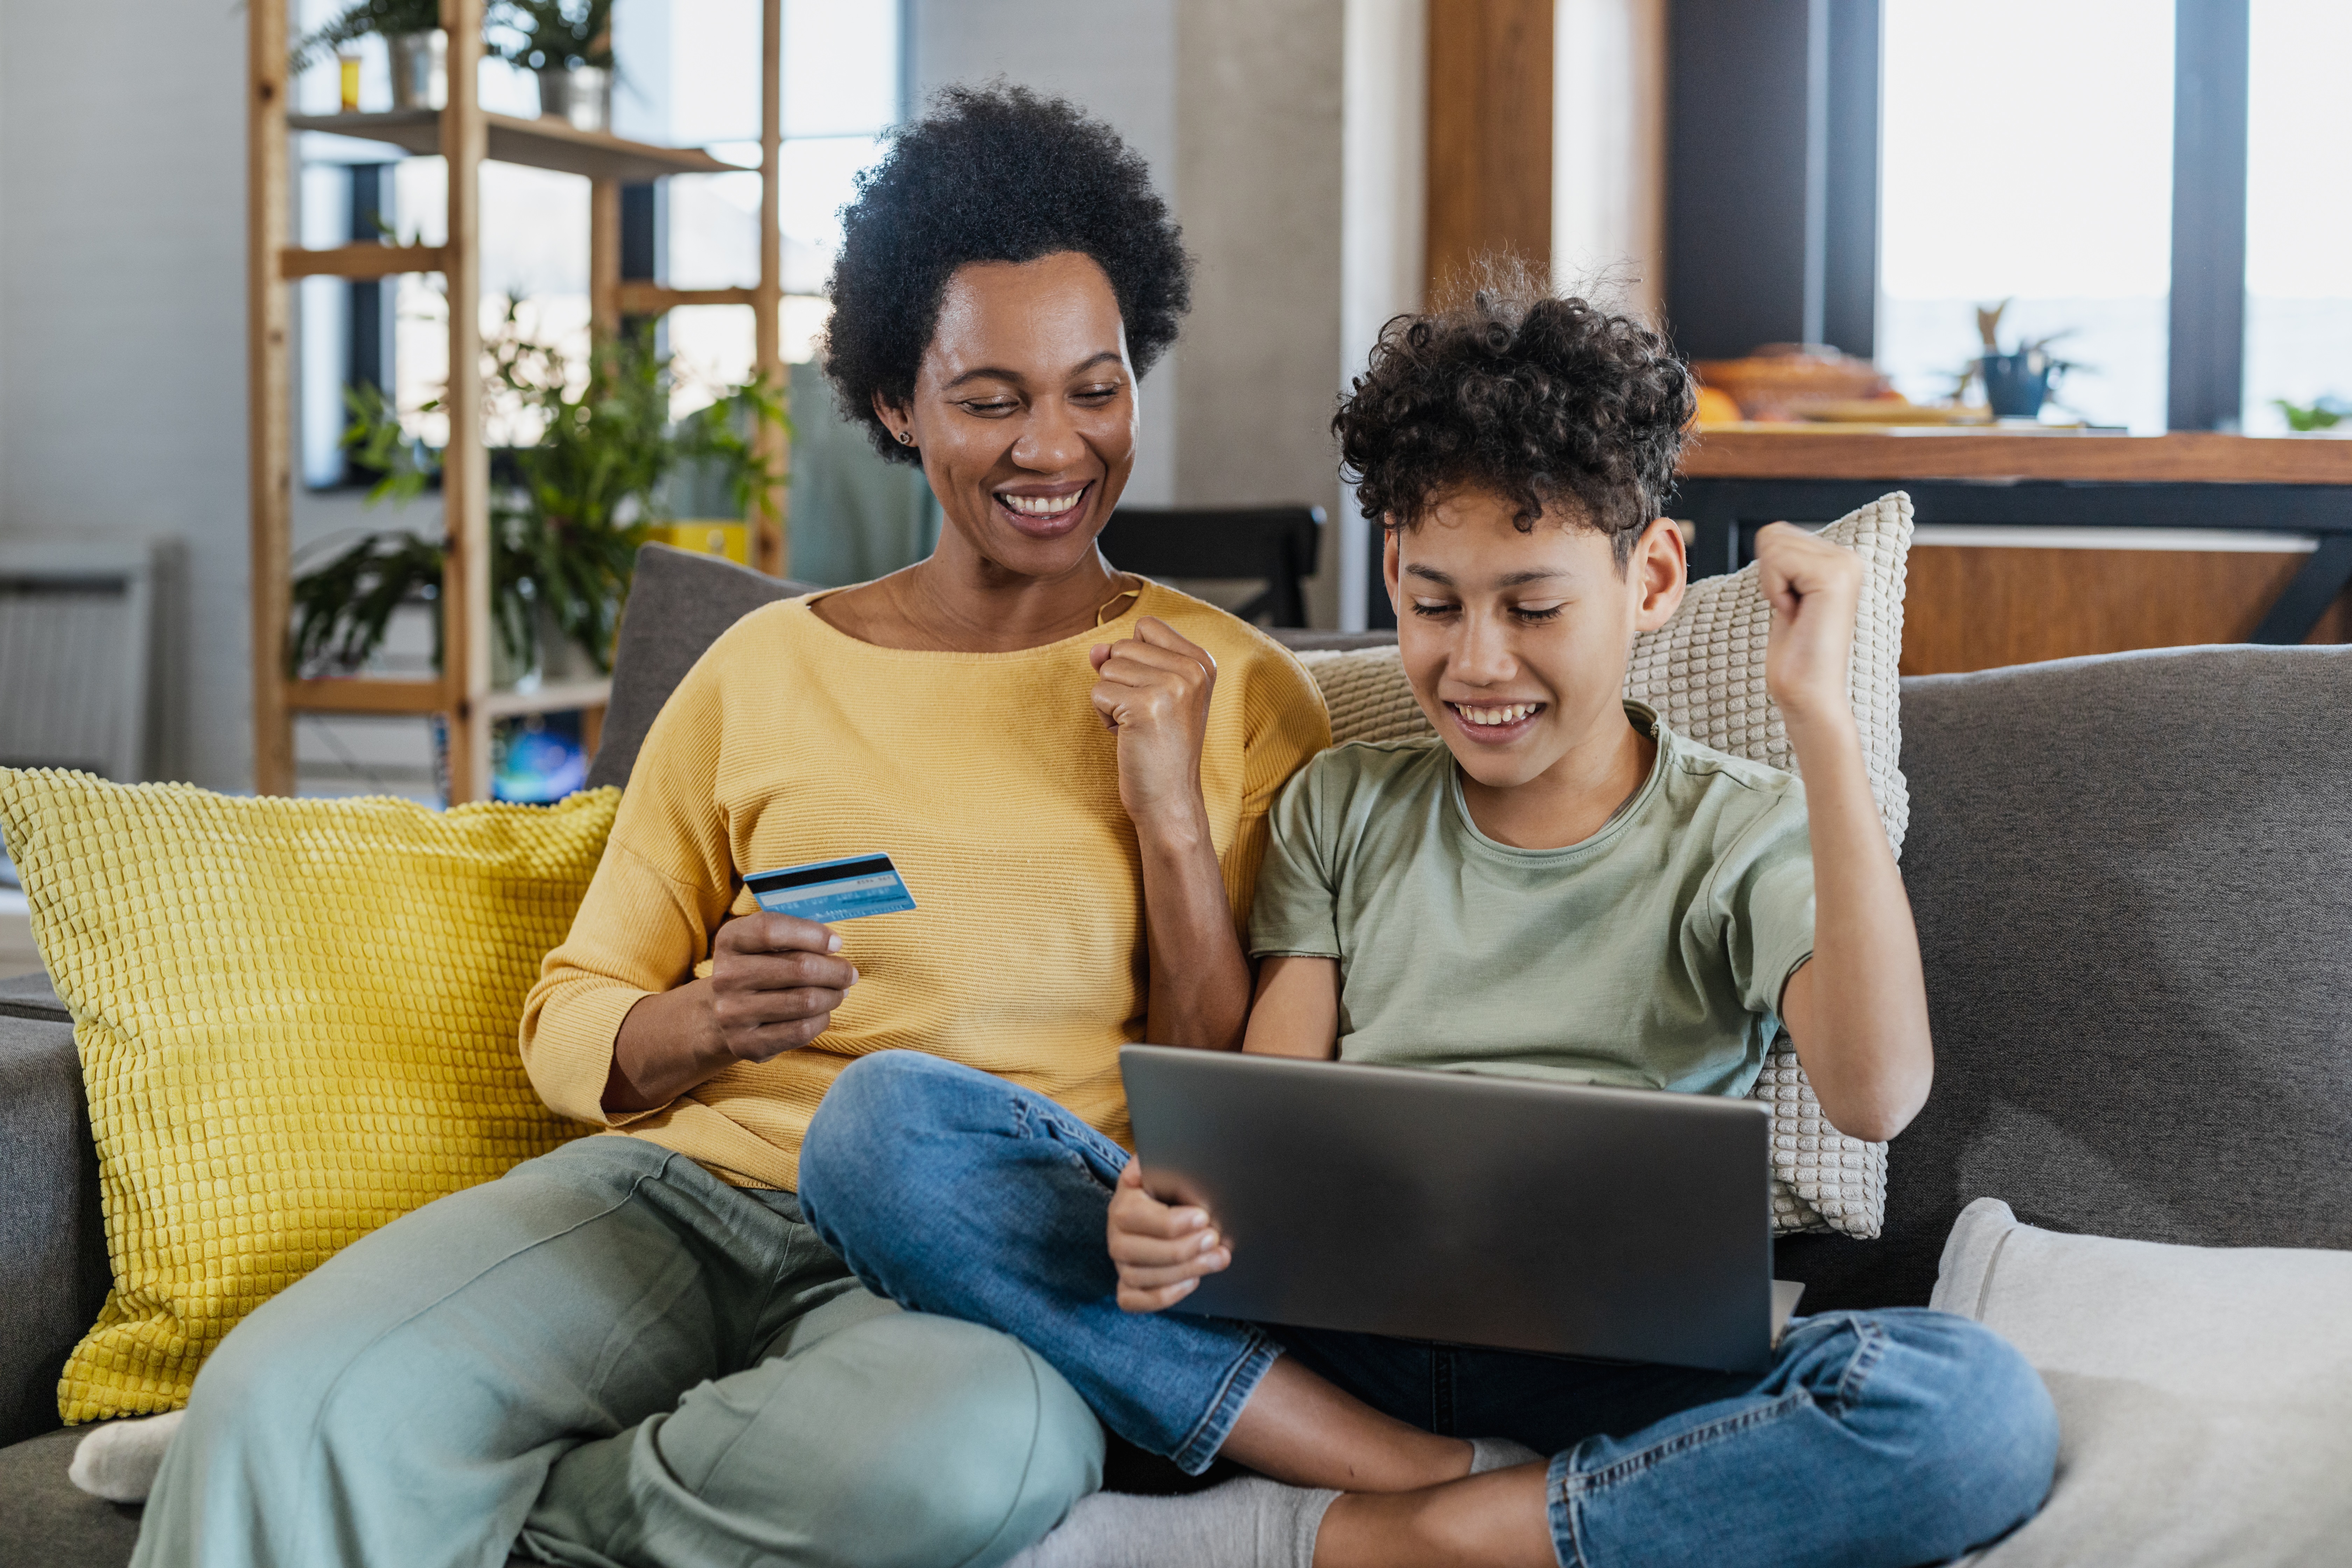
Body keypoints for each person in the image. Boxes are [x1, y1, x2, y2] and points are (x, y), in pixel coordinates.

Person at [131, 87, 1329, 1568]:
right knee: (280, 1395)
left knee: (979, 1456)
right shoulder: (763, 667)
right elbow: (576, 1006)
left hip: (987, 1265)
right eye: (992, 396)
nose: (1055, 446)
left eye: (1097, 389)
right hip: (685, 1198)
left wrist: (1164, 813)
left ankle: (468, 1493)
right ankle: (373, 1461)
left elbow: (1230, 1105)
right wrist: (699, 1022)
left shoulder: (1242, 692)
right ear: (897, 401)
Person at [794, 282, 2062, 1568]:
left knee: (1968, 1410)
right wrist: (1175, 1215)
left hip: (1617, 1373)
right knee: (880, 1128)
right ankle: (1409, 1480)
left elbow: (1878, 1091)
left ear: (1655, 575)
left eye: (1535, 606)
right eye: (1438, 603)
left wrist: (1824, 727)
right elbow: (1262, 1127)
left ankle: (1441, 1534)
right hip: (1328, 1358)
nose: (1479, 665)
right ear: (1393, 571)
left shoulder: (1743, 830)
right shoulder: (1342, 805)